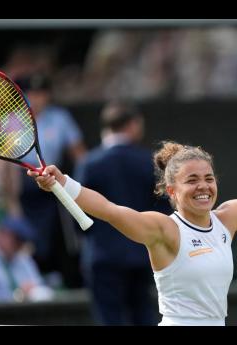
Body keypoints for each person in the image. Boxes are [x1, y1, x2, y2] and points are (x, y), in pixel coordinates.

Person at [28, 133, 237, 326]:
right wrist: (63, 183)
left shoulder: (227, 219)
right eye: (192, 180)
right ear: (171, 191)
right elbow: (110, 210)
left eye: (209, 178)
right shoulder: (163, 230)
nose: (204, 187)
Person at [74, 101, 172, 325]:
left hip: (102, 257)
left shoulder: (89, 163)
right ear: (133, 124)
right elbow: (164, 209)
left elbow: (76, 213)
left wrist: (88, 244)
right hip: (143, 254)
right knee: (144, 316)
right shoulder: (148, 162)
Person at [14, 72, 87, 287]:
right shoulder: (12, 120)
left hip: (50, 181)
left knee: (58, 233)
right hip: (21, 186)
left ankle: (60, 277)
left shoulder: (60, 117)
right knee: (27, 237)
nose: (37, 98)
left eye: (42, 93)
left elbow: (79, 153)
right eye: (32, 93)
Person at [0, 215, 54, 302]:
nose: (19, 244)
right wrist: (20, 295)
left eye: (21, 240)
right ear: (1, 235)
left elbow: (40, 287)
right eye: (15, 239)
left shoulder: (25, 260)